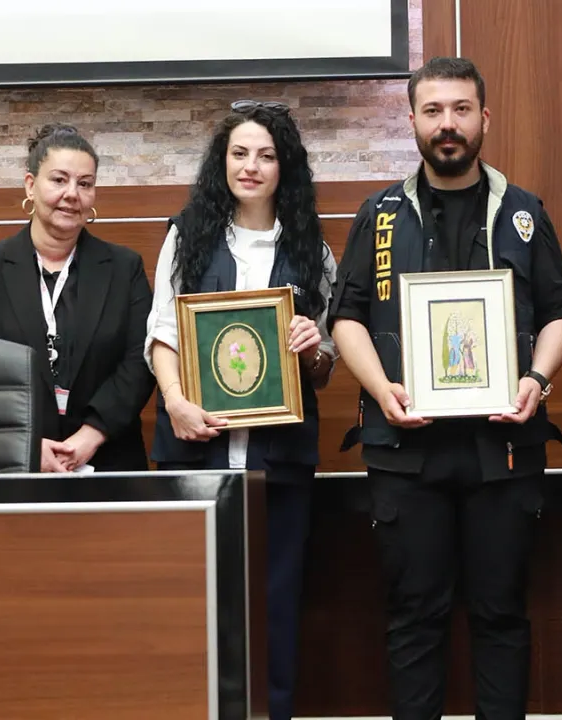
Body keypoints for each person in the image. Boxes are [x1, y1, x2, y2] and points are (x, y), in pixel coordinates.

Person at [328, 57, 562, 720]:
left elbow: (561, 312)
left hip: (503, 450)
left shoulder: (523, 212)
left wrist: (536, 379)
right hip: (404, 453)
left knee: (502, 613)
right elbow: (346, 317)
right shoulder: (380, 215)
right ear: (412, 120)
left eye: (461, 109)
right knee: (414, 617)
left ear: (484, 118)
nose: (448, 124)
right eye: (434, 110)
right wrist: (382, 388)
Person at [143, 100, 338, 720]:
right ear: (221, 162)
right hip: (193, 452)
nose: (250, 166)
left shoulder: (312, 248)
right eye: (239, 153)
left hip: (279, 463)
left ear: (285, 168)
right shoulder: (187, 234)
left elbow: (325, 365)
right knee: (192, 605)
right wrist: (175, 402)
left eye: (266, 156)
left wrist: (313, 348)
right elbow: (163, 332)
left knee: (276, 607)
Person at [0, 123, 155, 473]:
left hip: (109, 459)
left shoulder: (124, 267)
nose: (72, 194)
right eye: (59, 180)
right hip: (14, 459)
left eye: (85, 184)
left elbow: (139, 360)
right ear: (30, 185)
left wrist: (92, 434)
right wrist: (27, 441)